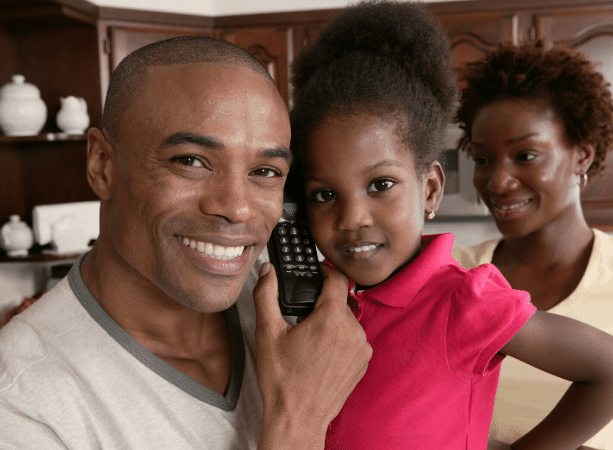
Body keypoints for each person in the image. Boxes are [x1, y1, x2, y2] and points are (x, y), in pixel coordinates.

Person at [0, 36, 372, 449]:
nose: (236, 208)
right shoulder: (21, 403)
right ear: (102, 165)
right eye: (191, 161)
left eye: (265, 171)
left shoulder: (304, 327)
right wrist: (298, 419)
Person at [288, 1, 613, 449]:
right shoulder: (320, 299)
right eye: (324, 195)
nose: (351, 219)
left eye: (381, 184)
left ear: (431, 189)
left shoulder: (465, 300)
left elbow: (607, 369)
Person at [452, 40, 613, 449]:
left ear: (582, 154)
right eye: (484, 160)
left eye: (525, 155)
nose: (498, 182)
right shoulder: (452, 274)